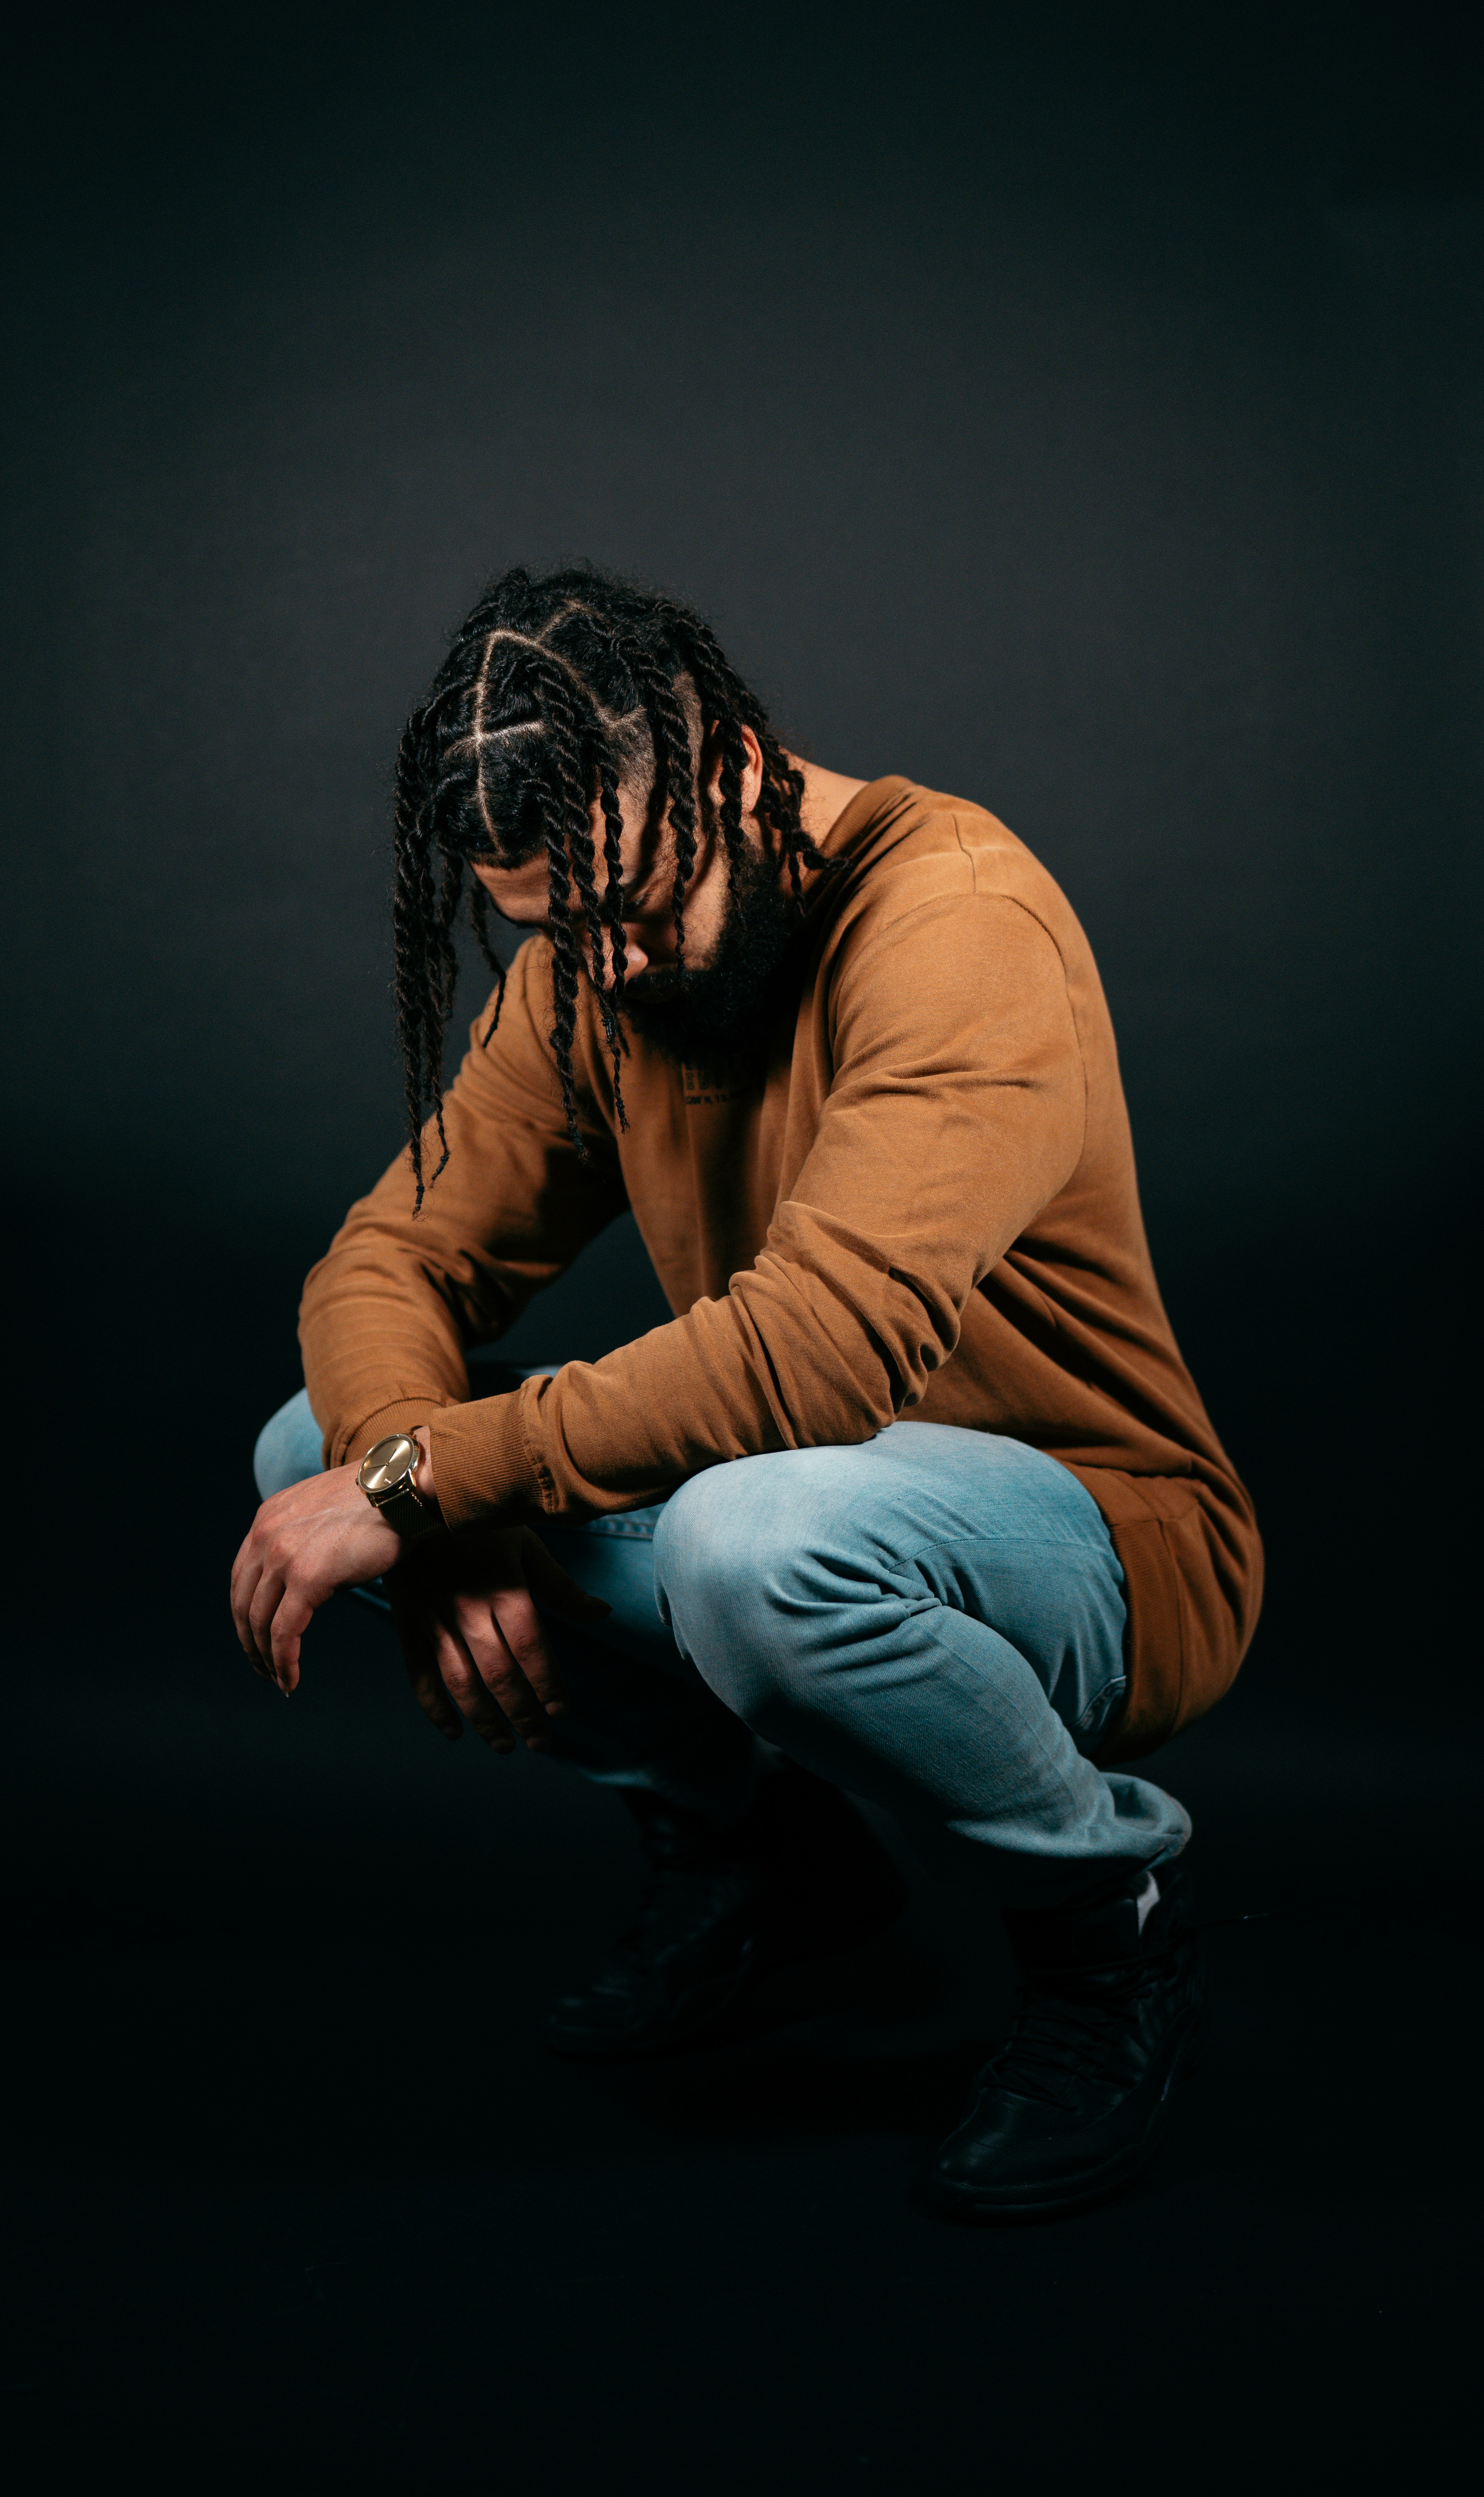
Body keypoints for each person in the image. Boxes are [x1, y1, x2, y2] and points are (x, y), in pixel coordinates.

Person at [231, 566, 1262, 2222]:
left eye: (635, 911)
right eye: (561, 933)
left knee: (729, 1536)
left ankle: (1108, 1937)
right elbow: (382, 1262)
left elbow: (818, 1354)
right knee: (316, 1440)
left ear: (733, 770)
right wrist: (401, 1476)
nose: (610, 966)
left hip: (1099, 1537)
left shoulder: (952, 917)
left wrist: (433, 1483)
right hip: (794, 1501)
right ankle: (762, 1856)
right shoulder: (592, 955)